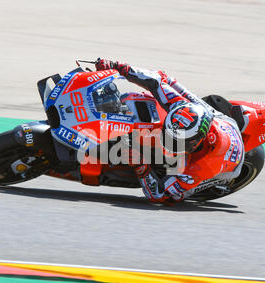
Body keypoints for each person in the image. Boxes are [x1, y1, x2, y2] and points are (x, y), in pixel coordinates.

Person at [95, 58, 245, 204]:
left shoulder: (202, 166)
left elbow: (159, 196)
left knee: (175, 195)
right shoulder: (179, 105)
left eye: (176, 141)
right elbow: (155, 81)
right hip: (219, 119)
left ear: (195, 141)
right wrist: (119, 68)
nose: (168, 142)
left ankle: (209, 184)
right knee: (166, 79)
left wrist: (141, 166)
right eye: (169, 136)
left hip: (226, 164)